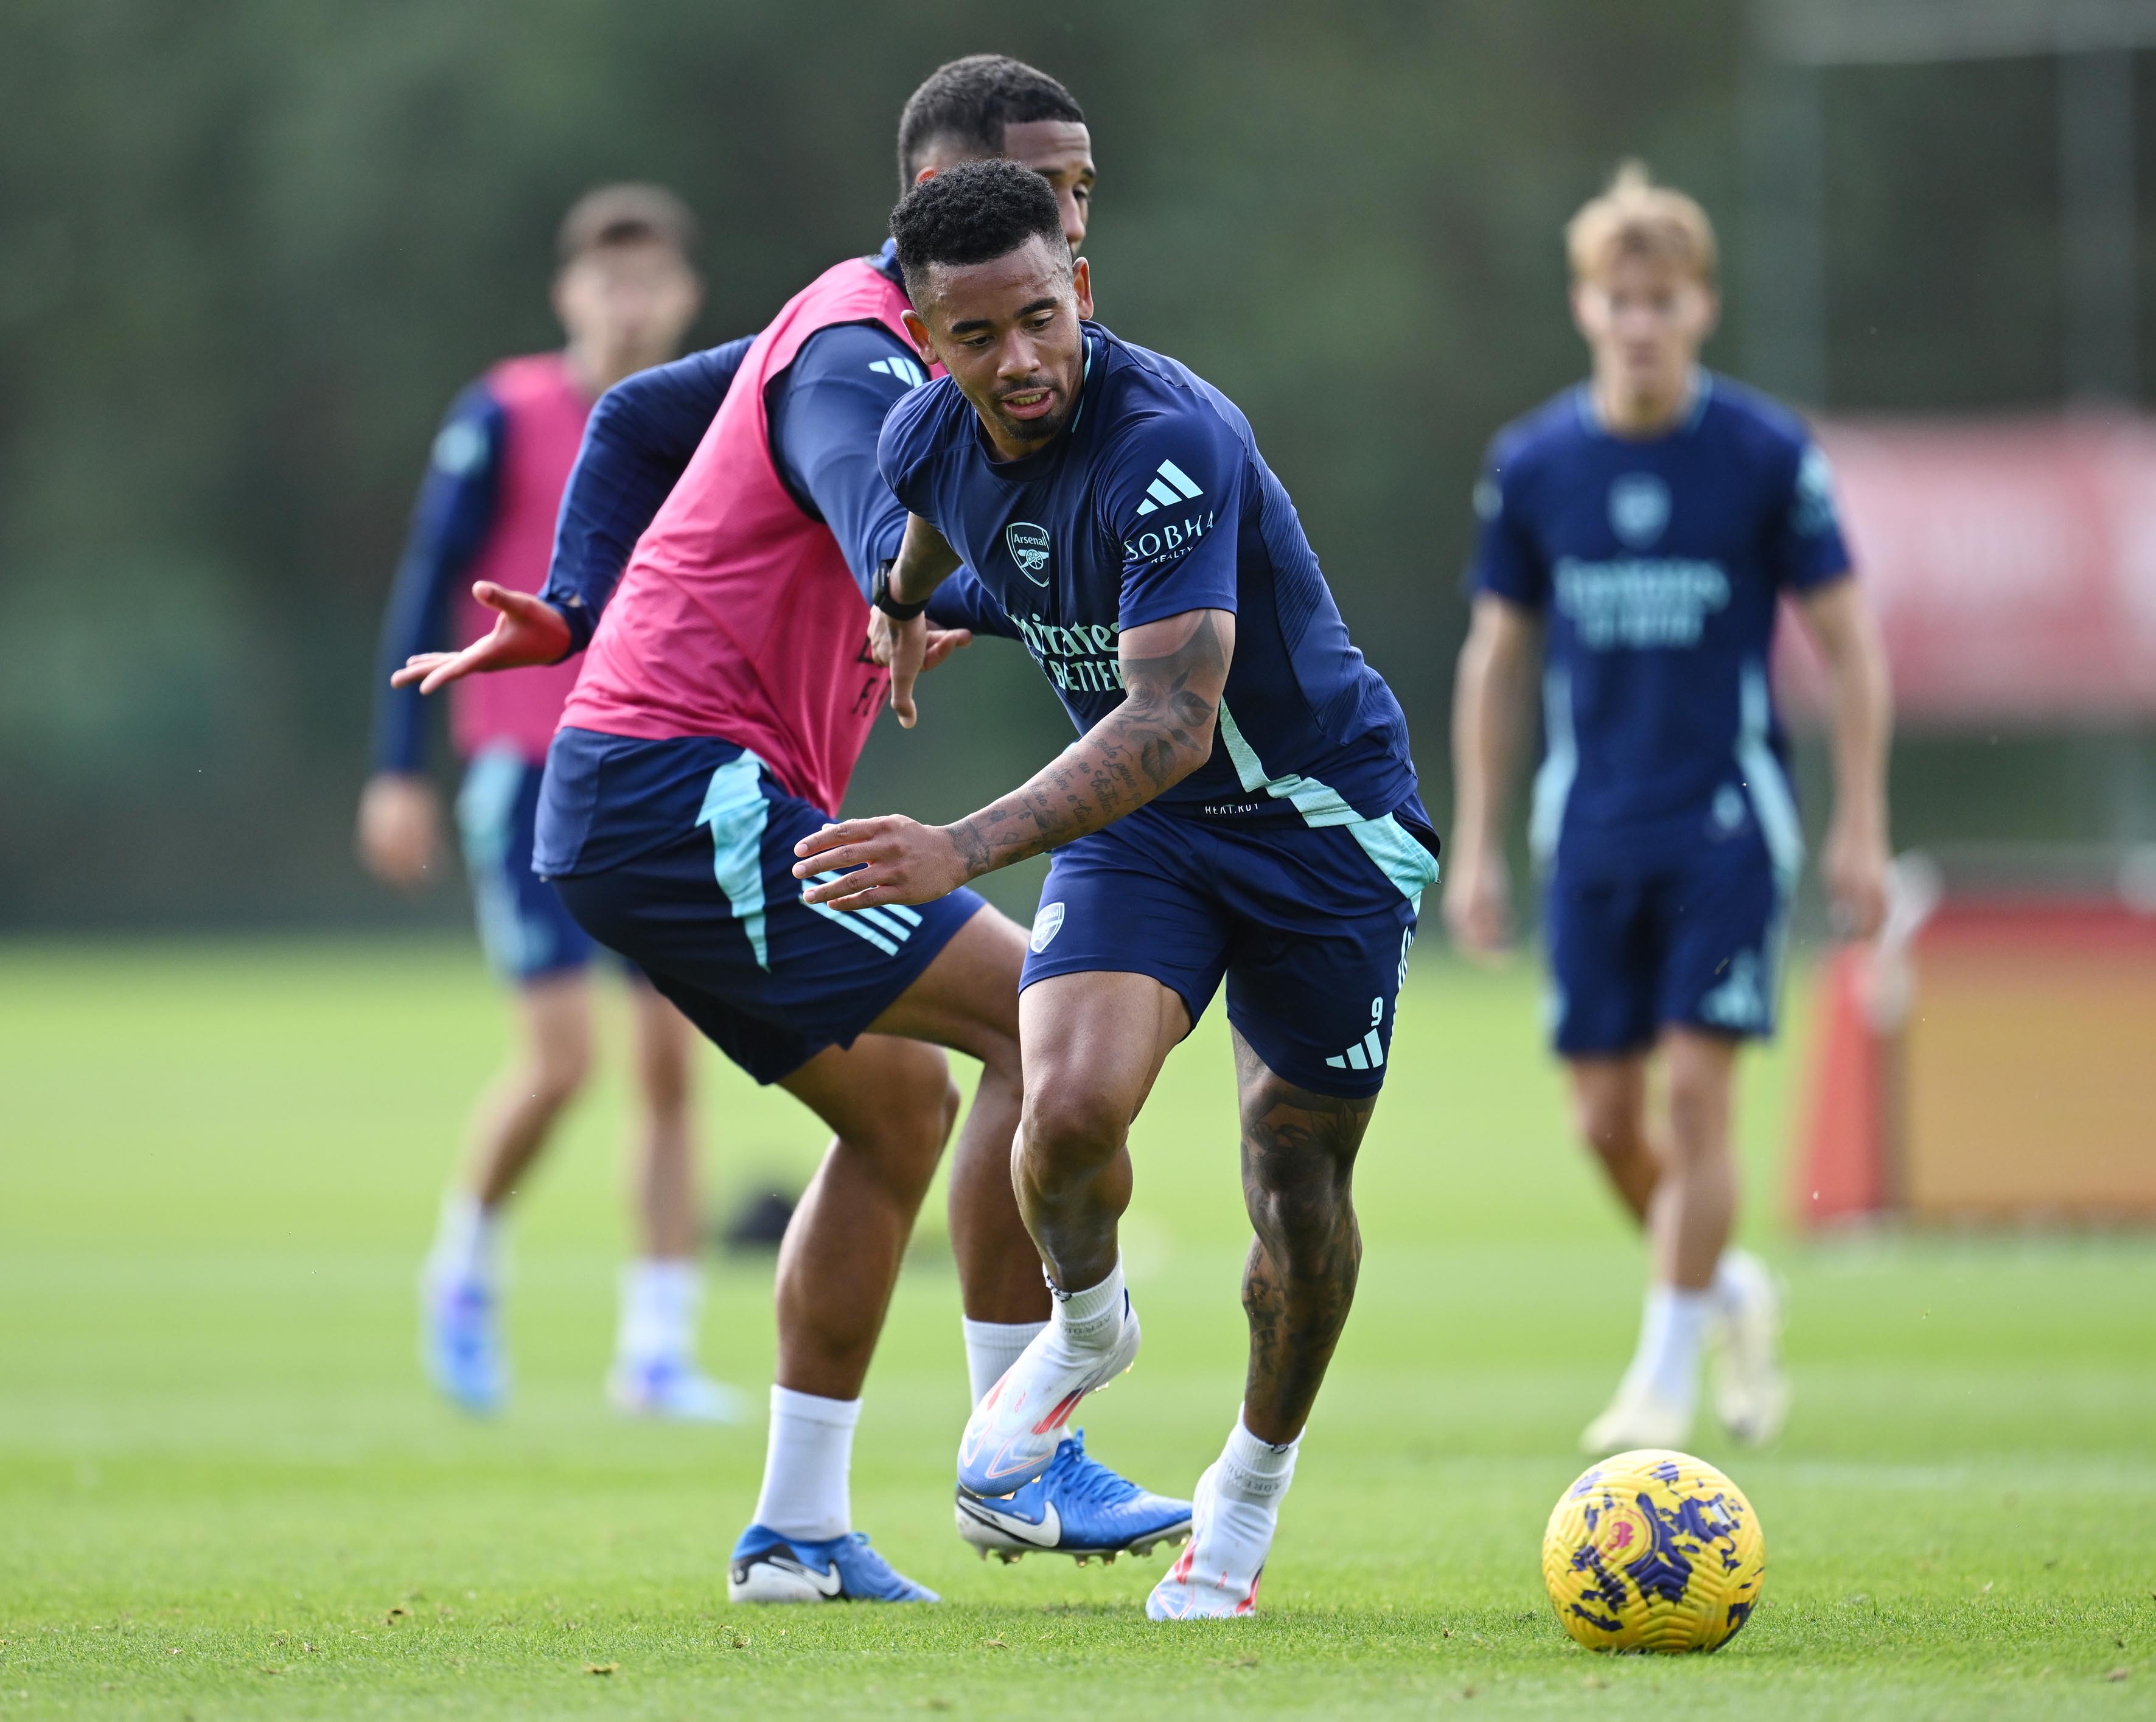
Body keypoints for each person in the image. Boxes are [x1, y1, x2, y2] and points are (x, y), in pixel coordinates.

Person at [392, 58, 1189, 1604]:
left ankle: (797, 1533)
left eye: (1083, 189)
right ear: (936, 208)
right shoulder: (858, 355)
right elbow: (866, 497)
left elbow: (628, 413)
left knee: (896, 1115)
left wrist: (566, 607)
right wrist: (952, 590)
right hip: (684, 790)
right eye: (1048, 186)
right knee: (1040, 1018)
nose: (1077, 216)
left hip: (663, 789)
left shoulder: (840, 315)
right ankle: (1021, 1452)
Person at [795, 158, 1442, 1621]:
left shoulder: (1170, 440)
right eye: (978, 337)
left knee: (1291, 1177)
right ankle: (1087, 1330)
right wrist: (900, 605)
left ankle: (1246, 1493)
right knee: (1067, 1106)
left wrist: (958, 845)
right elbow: (926, 511)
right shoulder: (921, 435)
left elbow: (1169, 724)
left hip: (1314, 826)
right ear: (929, 339)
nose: (1019, 360)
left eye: (1042, 318)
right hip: (1146, 835)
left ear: (1077, 289)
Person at [1443, 164, 1893, 1454]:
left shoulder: (1760, 453)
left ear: (1699, 306)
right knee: (1602, 1117)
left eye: (1662, 297)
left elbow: (1849, 644)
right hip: (1586, 827)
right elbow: (1495, 658)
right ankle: (1723, 1290)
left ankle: (1659, 1370)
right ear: (1583, 307)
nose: (1638, 319)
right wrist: (1474, 840)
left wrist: (1859, 818)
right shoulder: (1531, 465)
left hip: (1723, 825)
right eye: (1616, 296)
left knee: (1699, 1100)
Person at [360, 183, 742, 1423]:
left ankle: (657, 1348)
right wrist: (398, 765)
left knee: (673, 1065)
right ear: (567, 292)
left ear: (683, 296)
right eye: (606, 280)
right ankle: (463, 1267)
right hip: (526, 771)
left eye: (650, 281)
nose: (627, 303)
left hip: (662, 764)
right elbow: (427, 582)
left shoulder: (714, 417)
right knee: (563, 1060)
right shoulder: (505, 410)